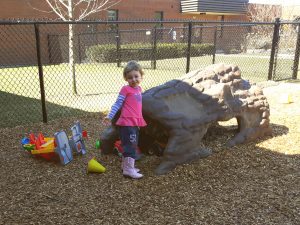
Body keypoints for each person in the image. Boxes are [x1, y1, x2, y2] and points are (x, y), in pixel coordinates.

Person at [102, 61, 147, 179]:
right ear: (126, 79)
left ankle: (126, 166)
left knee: (130, 144)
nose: (133, 79)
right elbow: (117, 104)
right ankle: (128, 170)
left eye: (136, 76)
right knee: (130, 146)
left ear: (141, 76)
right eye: (130, 77)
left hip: (134, 123)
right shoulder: (125, 89)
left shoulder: (138, 89)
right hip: (127, 123)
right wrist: (109, 116)